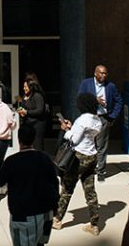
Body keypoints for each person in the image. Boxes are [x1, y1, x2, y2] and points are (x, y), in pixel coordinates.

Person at [0, 125, 59, 246]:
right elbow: (55, 183)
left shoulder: (12, 161)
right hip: (45, 213)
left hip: (23, 215)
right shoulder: (45, 158)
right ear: (34, 139)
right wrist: (55, 207)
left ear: (19, 140)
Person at [53, 93, 103, 237]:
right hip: (92, 156)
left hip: (78, 158)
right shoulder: (97, 120)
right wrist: (72, 127)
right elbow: (86, 135)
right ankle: (94, 225)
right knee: (90, 191)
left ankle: (57, 219)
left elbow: (73, 140)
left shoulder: (83, 119)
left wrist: (66, 130)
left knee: (67, 189)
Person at [78, 64, 123, 182]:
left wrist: (112, 117)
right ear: (95, 73)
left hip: (103, 118)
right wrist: (95, 99)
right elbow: (80, 98)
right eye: (101, 73)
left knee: (101, 146)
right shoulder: (86, 83)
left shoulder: (110, 86)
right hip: (89, 118)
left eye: (105, 73)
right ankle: (86, 168)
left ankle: (101, 171)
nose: (103, 75)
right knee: (87, 144)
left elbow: (119, 101)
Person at [17, 78, 48, 151]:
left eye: (25, 86)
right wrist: (21, 111)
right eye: (24, 86)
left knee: (37, 145)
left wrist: (27, 112)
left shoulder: (37, 96)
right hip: (29, 123)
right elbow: (23, 107)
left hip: (38, 124)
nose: (24, 88)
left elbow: (39, 110)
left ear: (30, 87)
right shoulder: (25, 96)